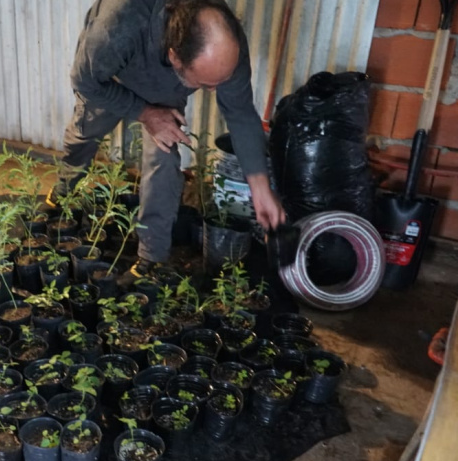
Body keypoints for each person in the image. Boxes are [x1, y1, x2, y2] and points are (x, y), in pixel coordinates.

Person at [47, 0, 285, 280]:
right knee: (84, 135)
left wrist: (259, 188)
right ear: (175, 57)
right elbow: (84, 81)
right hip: (114, 78)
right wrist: (145, 113)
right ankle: (64, 191)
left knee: (163, 158)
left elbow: (241, 113)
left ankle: (151, 257)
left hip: (165, 86)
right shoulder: (118, 26)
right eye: (205, 84)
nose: (213, 91)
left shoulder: (225, 42)